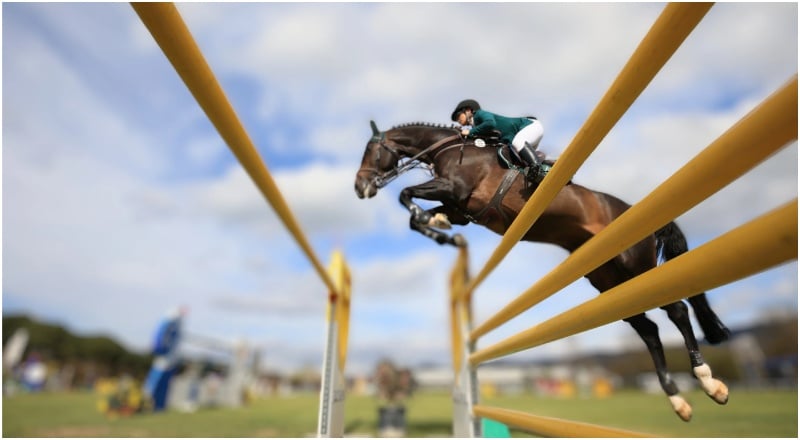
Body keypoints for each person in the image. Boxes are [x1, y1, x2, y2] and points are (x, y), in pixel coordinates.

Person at [451, 99, 545, 182]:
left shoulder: (479, 114)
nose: (457, 120)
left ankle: (538, 170)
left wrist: (470, 131)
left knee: (517, 143)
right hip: (523, 136)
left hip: (530, 126)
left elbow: (490, 123)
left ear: (468, 110)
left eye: (458, 116)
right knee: (520, 160)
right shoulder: (476, 125)